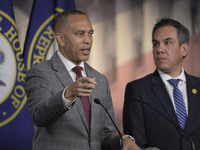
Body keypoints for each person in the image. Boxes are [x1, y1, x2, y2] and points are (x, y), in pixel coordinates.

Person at [25, 10, 141, 150]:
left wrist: (123, 141)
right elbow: (39, 116)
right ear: (61, 39)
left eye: (90, 33)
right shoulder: (41, 73)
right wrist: (68, 94)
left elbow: (105, 134)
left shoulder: (100, 80)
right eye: (80, 34)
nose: (88, 40)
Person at [123, 18, 200, 150]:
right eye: (155, 44)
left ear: (184, 49)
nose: (159, 49)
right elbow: (135, 144)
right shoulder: (137, 91)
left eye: (167, 43)